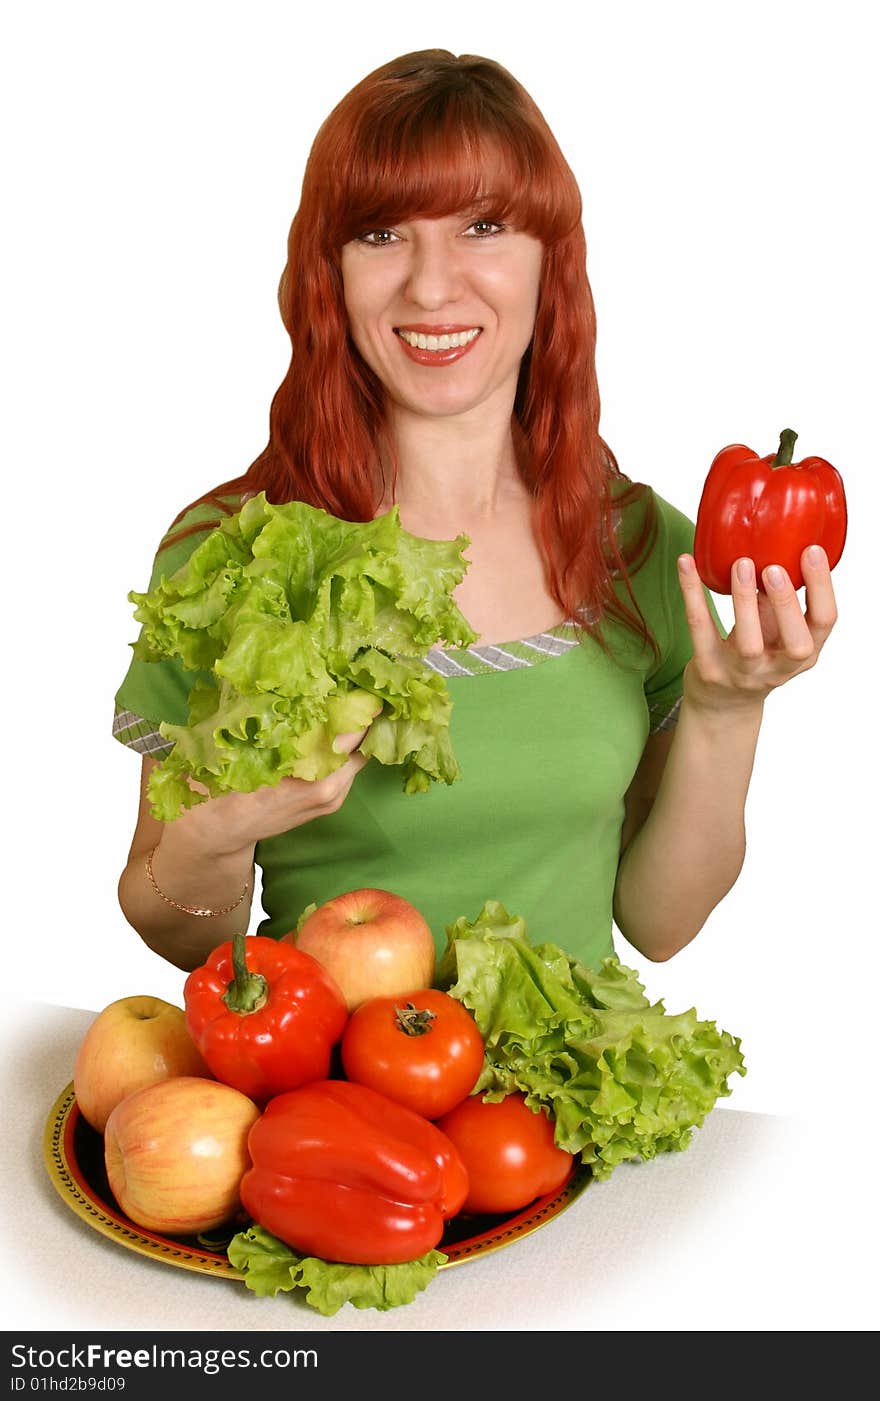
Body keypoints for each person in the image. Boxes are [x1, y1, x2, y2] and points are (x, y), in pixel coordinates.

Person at [114, 49, 838, 975]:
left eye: (483, 227)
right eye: (381, 234)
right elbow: (178, 931)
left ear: (551, 263)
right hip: (329, 1107)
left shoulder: (643, 548)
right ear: (327, 271)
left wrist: (729, 707)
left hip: (546, 1121)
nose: (430, 285)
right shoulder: (230, 558)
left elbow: (660, 922)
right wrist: (218, 834)